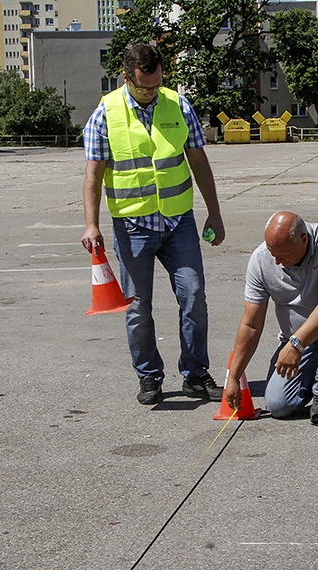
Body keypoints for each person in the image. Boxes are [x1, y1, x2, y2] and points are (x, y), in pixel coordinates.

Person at [81, 43, 226, 406]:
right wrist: (90, 224)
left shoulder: (178, 105)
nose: (151, 92)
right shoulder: (106, 114)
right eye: (144, 86)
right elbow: (92, 175)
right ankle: (149, 376)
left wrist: (215, 211)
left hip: (179, 223)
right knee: (137, 306)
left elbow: (199, 162)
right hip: (133, 227)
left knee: (194, 297)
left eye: (157, 83)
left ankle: (195, 374)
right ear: (126, 77)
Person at [224, 212, 318, 425]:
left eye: (283, 255)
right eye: (272, 252)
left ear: (304, 239)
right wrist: (234, 377)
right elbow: (251, 324)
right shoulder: (260, 260)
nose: (277, 261)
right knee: (278, 406)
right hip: (298, 339)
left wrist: (296, 344)